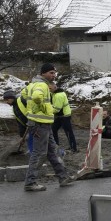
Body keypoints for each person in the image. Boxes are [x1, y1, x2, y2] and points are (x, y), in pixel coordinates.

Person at [24, 63, 72, 191]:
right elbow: (37, 97)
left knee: (52, 151)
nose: (54, 75)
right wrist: (44, 108)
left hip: (43, 124)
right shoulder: (41, 85)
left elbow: (23, 95)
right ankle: (30, 182)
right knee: (39, 153)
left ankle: (63, 177)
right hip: (40, 124)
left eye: (55, 73)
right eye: (51, 72)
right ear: (43, 73)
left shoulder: (33, 84)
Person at [50, 83, 78, 153]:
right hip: (60, 115)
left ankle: (73, 148)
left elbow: (57, 109)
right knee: (53, 130)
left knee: (68, 132)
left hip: (64, 116)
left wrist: (48, 111)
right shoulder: (56, 94)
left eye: (50, 88)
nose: (49, 90)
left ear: (55, 87)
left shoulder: (58, 95)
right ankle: (56, 146)